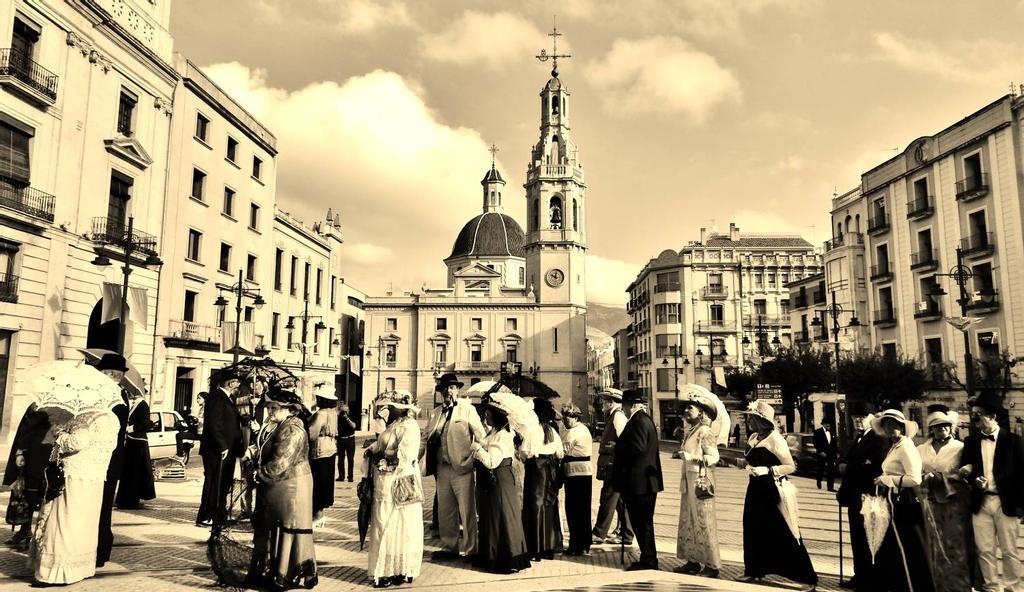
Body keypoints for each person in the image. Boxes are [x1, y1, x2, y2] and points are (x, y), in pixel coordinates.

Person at [30, 407, 119, 584]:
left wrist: (59, 434)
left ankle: (56, 572)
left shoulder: (84, 416)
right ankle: (80, 567)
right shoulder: (112, 418)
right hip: (95, 478)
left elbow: (78, 442)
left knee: (65, 521)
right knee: (85, 524)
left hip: (74, 475)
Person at [740, 400, 817, 590]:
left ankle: (806, 577)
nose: (749, 420)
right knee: (752, 527)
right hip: (755, 488)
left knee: (782, 529)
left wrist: (768, 470)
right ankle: (755, 570)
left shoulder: (775, 439)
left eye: (752, 417)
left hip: (771, 490)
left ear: (762, 420)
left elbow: (790, 466)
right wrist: (747, 466)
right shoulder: (754, 437)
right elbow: (750, 460)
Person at [247, 386, 317, 591]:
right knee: (277, 526)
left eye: (275, 408)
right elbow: (266, 449)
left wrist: (258, 474)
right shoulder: (279, 425)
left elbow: (281, 462)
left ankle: (285, 573)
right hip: (279, 485)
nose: (270, 412)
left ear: (289, 409)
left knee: (289, 526)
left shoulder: (293, 429)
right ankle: (277, 570)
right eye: (269, 407)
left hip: (292, 485)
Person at [959, 390, 1024, 592]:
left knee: (1010, 550)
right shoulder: (970, 441)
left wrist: (1022, 505)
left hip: (1006, 503)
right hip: (981, 503)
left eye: (979, 413)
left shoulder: (1013, 441)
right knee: (985, 550)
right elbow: (965, 468)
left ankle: (1013, 587)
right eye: (974, 413)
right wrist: (972, 478)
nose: (974, 418)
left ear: (992, 416)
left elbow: (1022, 475)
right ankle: (991, 587)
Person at [364, 390, 423, 588]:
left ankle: (397, 569)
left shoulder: (410, 426)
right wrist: (373, 448)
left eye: (391, 406)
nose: (388, 409)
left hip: (399, 481)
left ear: (401, 408)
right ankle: (390, 569)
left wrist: (382, 456)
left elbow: (405, 456)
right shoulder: (395, 424)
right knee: (384, 523)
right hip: (385, 481)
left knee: (399, 525)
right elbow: (383, 443)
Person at [871, 409, 933, 592]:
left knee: (909, 545)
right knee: (898, 546)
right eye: (886, 424)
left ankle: (914, 586)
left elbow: (915, 479)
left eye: (894, 425)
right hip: (893, 500)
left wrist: (887, 480)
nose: (890, 428)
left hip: (904, 501)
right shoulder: (895, 446)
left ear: (902, 427)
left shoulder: (906, 447)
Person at [469, 392, 531, 574]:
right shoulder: (494, 432)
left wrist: (477, 449)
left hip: (499, 480)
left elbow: (492, 462)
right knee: (492, 517)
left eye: (488, 415)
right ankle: (490, 554)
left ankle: (504, 558)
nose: (485, 417)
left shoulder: (503, 436)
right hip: (493, 483)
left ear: (496, 416)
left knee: (501, 517)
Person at [917, 405, 973, 592]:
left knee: (954, 543)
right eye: (937, 426)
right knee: (934, 542)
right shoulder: (921, 449)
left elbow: (965, 472)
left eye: (945, 426)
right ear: (931, 429)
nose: (942, 429)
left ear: (951, 428)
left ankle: (958, 586)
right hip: (929, 501)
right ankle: (937, 584)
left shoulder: (960, 447)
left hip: (953, 502)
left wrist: (945, 476)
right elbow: (916, 471)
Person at [421, 373, 477, 560]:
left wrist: (472, 459)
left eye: (452, 387)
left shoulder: (467, 410)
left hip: (462, 467)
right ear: (440, 391)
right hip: (442, 467)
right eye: (445, 388)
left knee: (467, 510)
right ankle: (449, 547)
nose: (448, 391)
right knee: (445, 510)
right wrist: (413, 459)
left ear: (458, 390)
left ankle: (470, 549)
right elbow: (424, 439)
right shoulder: (436, 413)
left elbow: (481, 436)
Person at [837, 400, 887, 592]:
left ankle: (870, 578)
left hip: (869, 497)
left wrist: (848, 467)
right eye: (855, 417)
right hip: (855, 497)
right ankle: (860, 575)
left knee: (868, 538)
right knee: (857, 538)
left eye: (863, 417)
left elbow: (875, 468)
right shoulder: (859, 438)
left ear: (872, 418)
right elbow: (850, 460)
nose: (858, 421)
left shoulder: (877, 438)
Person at [611, 389, 662, 571]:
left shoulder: (639, 421)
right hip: (643, 482)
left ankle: (649, 559)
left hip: (640, 483)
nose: (623, 411)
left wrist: (618, 447)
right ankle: (647, 557)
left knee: (642, 522)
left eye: (624, 406)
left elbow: (638, 447)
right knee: (642, 522)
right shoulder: (643, 419)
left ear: (630, 405)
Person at [673, 390, 721, 579]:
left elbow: (714, 457)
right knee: (689, 521)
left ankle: (712, 564)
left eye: (690, 408)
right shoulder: (691, 431)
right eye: (685, 407)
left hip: (700, 483)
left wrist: (690, 457)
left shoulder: (705, 432)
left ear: (701, 412)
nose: (686, 410)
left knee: (704, 522)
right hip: (688, 481)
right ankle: (692, 560)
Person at [4, 404, 65, 550]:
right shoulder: (68, 403)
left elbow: (27, 428)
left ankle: (26, 529)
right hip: (55, 450)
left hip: (37, 451)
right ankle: (41, 532)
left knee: (30, 489)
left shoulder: (43, 403)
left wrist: (19, 451)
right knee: (48, 491)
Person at [91, 353, 129, 568]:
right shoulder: (114, 394)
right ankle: (98, 547)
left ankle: (100, 548)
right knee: (97, 506)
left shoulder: (115, 397)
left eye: (105, 372)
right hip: (103, 459)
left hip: (107, 459)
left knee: (102, 506)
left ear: (112, 374)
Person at [197, 370, 243, 527]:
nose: (238, 385)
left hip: (226, 449)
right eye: (237, 382)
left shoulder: (227, 398)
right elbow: (214, 424)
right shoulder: (217, 398)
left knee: (223, 483)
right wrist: (223, 446)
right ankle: (207, 516)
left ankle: (220, 516)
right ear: (230, 384)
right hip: (217, 450)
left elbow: (227, 421)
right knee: (214, 483)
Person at [522, 398, 563, 561]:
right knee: (549, 505)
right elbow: (560, 453)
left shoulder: (532, 430)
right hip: (551, 469)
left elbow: (526, 451)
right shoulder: (552, 431)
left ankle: (535, 548)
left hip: (536, 469)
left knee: (534, 505)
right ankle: (549, 546)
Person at [592, 388, 633, 546]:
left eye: (605, 400)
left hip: (614, 465)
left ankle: (599, 532)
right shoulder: (613, 416)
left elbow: (626, 439)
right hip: (613, 465)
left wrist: (615, 446)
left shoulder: (617, 416)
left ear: (612, 402)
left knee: (608, 498)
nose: (603, 403)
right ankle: (626, 534)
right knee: (619, 501)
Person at [560, 403, 593, 556]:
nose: (566, 419)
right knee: (581, 509)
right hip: (579, 472)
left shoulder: (575, 432)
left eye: (569, 416)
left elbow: (563, 451)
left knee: (574, 510)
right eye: (564, 416)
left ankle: (577, 544)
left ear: (576, 417)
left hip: (577, 472)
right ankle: (583, 542)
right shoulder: (576, 429)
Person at [115, 389, 156, 509]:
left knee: (135, 472)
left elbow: (146, 423)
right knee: (129, 472)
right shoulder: (135, 404)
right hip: (132, 441)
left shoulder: (142, 405)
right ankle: (126, 499)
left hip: (138, 442)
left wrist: (131, 428)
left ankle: (132, 500)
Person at [307, 384, 338, 528]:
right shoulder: (333, 412)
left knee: (316, 484)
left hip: (318, 452)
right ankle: (320, 515)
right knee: (325, 483)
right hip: (330, 450)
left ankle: (317, 516)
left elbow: (312, 434)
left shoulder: (320, 414)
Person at [813, 419, 838, 492]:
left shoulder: (832, 432)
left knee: (831, 470)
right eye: (827, 424)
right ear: (823, 424)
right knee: (821, 469)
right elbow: (815, 443)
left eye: (829, 424)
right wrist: (820, 451)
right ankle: (819, 480)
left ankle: (830, 487)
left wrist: (836, 452)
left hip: (831, 454)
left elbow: (834, 444)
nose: (828, 426)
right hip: (822, 454)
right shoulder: (818, 432)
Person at [336, 407, 357, 482]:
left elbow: (354, 426)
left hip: (350, 439)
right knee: (340, 459)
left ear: (348, 410)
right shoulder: (338, 418)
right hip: (341, 440)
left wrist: (347, 418)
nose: (344, 413)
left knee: (350, 459)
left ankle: (350, 477)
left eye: (345, 411)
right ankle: (341, 476)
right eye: (342, 411)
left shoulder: (351, 417)